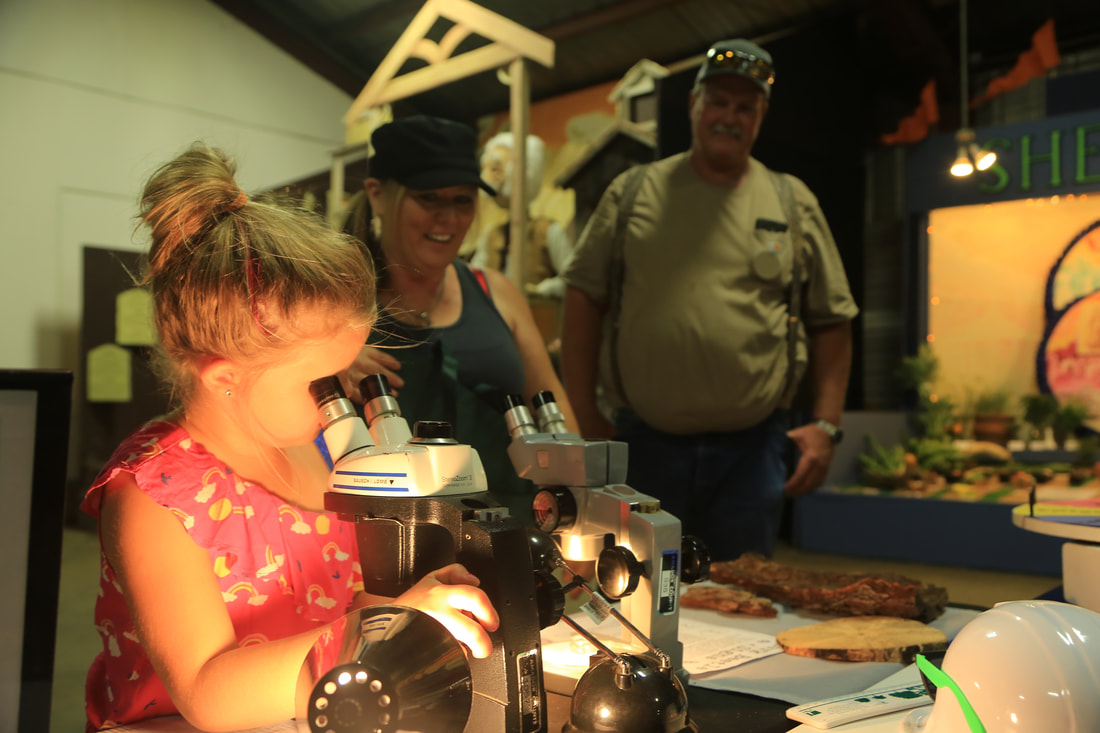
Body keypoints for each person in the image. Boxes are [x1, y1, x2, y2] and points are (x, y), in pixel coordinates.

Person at [82, 143, 498, 732]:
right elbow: (209, 693)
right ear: (226, 377)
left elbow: (336, 608)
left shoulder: (317, 454)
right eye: (324, 381)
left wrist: (409, 607)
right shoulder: (153, 498)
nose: (344, 398)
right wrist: (377, 629)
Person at [561, 38, 859, 561]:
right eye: (718, 102)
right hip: (644, 445)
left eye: (745, 107)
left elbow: (832, 319)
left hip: (754, 450)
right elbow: (584, 298)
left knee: (743, 600)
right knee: (635, 592)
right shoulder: (634, 192)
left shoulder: (791, 200)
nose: (729, 117)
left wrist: (826, 425)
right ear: (694, 105)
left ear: (761, 116)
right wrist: (584, 415)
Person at [341, 115, 578, 523]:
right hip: (393, 540)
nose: (447, 218)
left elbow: (553, 408)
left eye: (462, 200)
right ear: (378, 195)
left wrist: (581, 506)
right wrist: (325, 361)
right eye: (428, 198)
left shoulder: (495, 291)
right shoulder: (334, 301)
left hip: (516, 535)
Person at [470, 131, 574, 300]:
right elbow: (473, 277)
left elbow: (573, 278)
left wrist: (543, 290)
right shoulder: (491, 236)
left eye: (497, 168)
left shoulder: (547, 231)